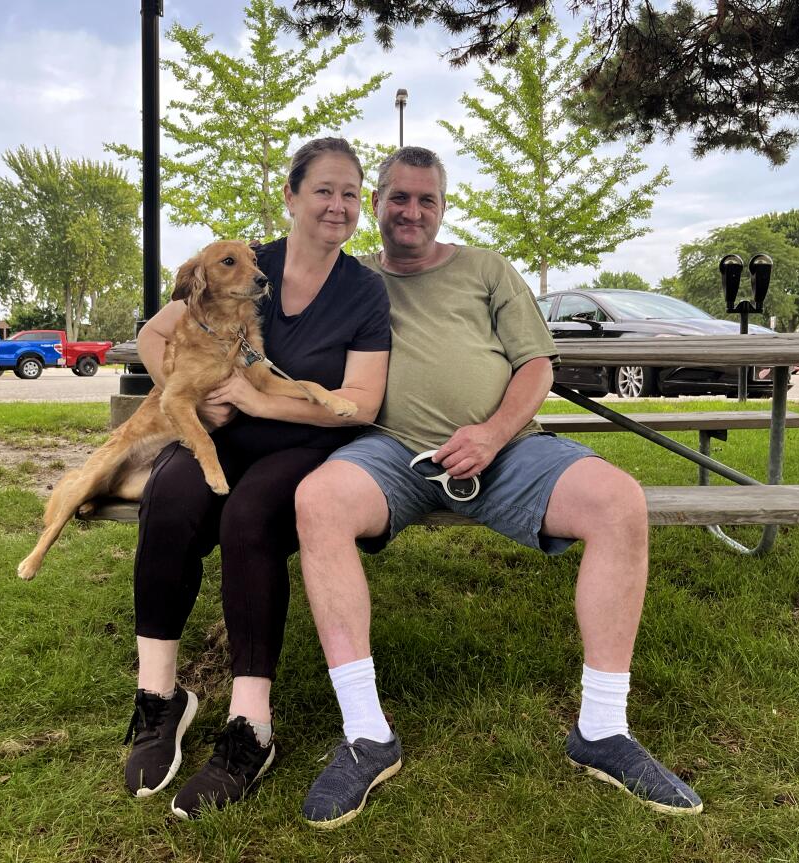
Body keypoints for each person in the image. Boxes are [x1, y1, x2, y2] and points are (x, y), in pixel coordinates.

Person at [293, 146, 703, 829]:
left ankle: (603, 729)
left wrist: (490, 433)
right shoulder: (351, 279)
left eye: (427, 200)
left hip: (506, 448)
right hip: (391, 451)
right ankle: (367, 733)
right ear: (376, 204)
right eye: (398, 198)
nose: (412, 211)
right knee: (318, 500)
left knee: (619, 500)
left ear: (443, 208)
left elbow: (536, 365)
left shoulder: (487, 269)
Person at [126, 137, 390, 819]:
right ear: (291, 195)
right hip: (224, 434)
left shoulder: (363, 290)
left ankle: (251, 728)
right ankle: (160, 699)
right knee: (172, 495)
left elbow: (361, 401)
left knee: (250, 518)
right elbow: (155, 337)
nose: (339, 205)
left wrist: (255, 400)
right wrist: (183, 392)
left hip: (308, 442)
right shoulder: (242, 261)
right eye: (325, 189)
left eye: (351, 193)